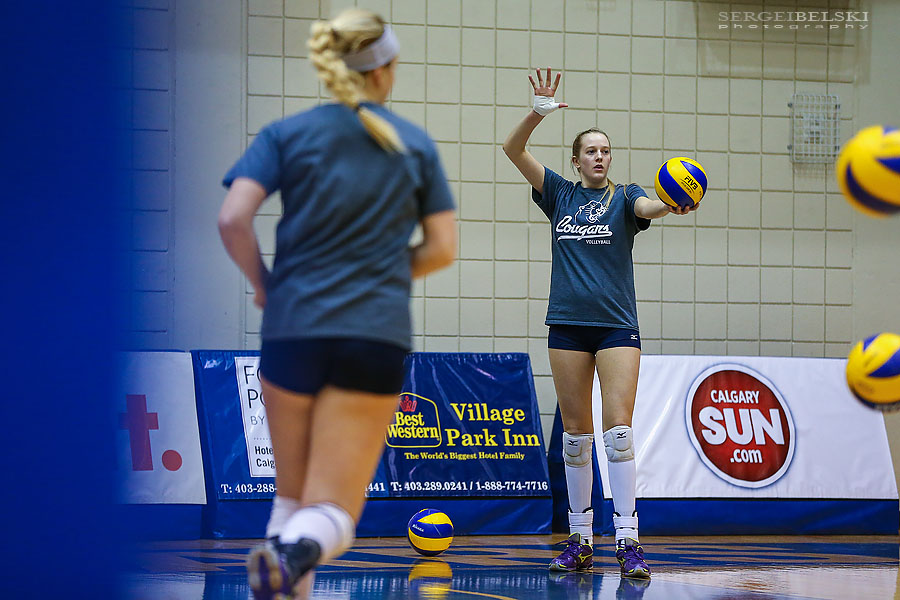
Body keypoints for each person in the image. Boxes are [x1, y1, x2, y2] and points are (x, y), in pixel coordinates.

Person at [218, 9, 457, 599]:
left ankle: (284, 548)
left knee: (291, 497)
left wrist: (266, 284)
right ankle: (290, 550)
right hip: (372, 333)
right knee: (331, 518)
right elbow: (443, 248)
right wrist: (380, 272)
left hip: (291, 326)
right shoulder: (414, 144)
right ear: (386, 70)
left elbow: (232, 218)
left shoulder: (286, 134)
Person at [502, 68, 696, 579]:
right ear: (576, 159)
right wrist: (537, 112)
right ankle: (581, 539)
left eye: (605, 150)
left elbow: (652, 204)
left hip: (615, 328)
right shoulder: (560, 195)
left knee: (619, 434)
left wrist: (673, 202)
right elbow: (512, 150)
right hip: (567, 326)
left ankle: (629, 540)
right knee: (575, 437)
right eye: (591, 150)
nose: (600, 157)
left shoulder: (625, 197)